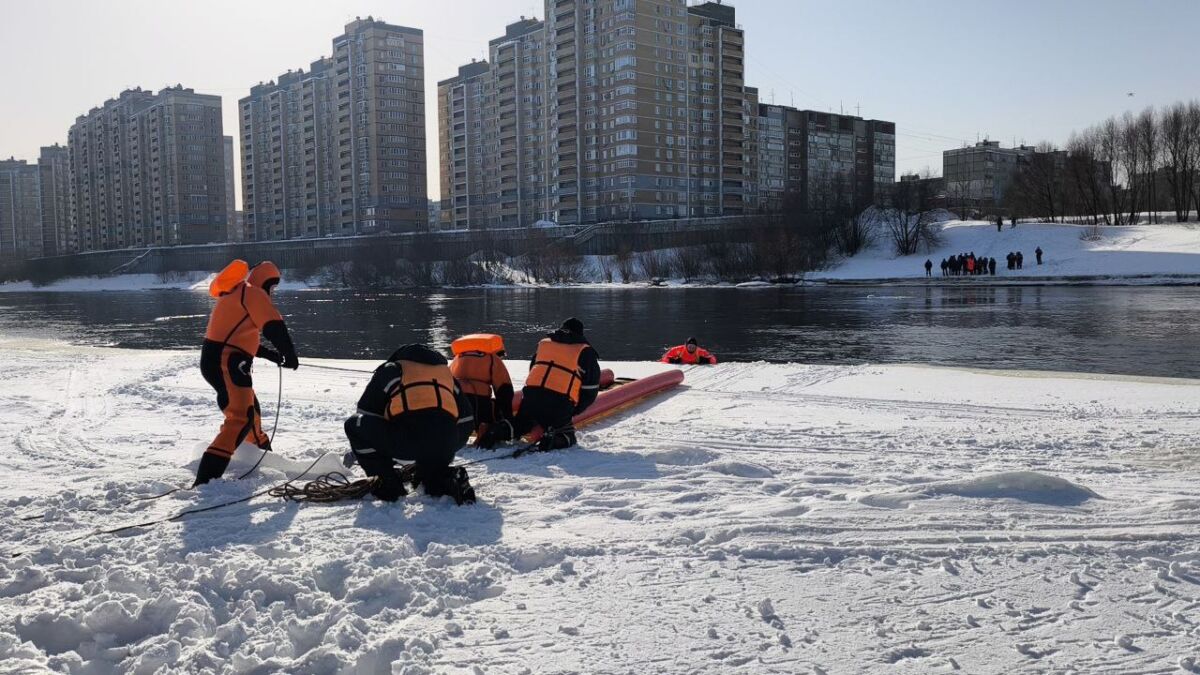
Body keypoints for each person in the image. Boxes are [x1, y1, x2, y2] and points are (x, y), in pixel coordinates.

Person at [196, 260, 299, 486]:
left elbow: (239, 336)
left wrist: (272, 355)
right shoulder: (252, 293)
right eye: (273, 286)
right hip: (228, 362)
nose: (273, 292)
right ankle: (206, 480)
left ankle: (265, 456)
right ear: (266, 282)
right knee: (241, 418)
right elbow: (273, 325)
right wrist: (289, 354)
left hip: (221, 359)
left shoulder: (237, 293)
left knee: (251, 412)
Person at [344, 344, 476, 504]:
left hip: (409, 438)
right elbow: (467, 419)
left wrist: (376, 453)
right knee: (430, 480)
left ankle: (388, 485)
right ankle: (448, 477)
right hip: (447, 440)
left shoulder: (392, 370)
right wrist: (449, 446)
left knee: (353, 425)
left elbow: (366, 413)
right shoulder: (446, 374)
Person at [478, 318, 601, 452]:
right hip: (560, 401)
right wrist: (574, 410)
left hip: (532, 395)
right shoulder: (586, 352)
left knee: (520, 424)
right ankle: (552, 439)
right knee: (567, 434)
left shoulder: (544, 344)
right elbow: (590, 389)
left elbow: (534, 369)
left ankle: (497, 431)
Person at [450, 333, 514, 442]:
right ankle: (484, 428)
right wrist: (508, 417)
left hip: (458, 400)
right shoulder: (492, 359)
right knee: (494, 408)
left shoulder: (457, 358)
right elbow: (504, 389)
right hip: (479, 400)